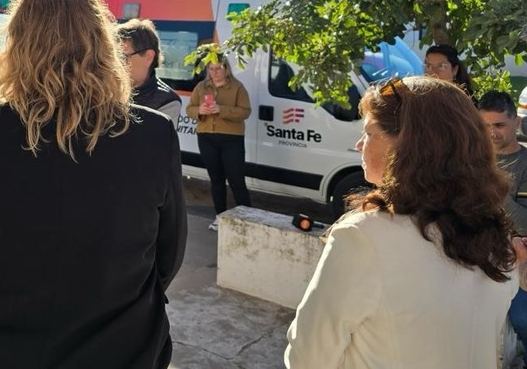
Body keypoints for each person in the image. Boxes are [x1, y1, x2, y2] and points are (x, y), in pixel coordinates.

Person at [0, 0, 187, 368]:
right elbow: (168, 253)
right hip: (119, 348)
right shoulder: (153, 133)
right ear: (102, 42)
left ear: (16, 44)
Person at [285, 76, 518, 368]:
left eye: (369, 133)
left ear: (407, 147)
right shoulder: (494, 232)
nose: (359, 144)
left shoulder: (363, 237)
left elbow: (307, 358)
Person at [478, 89, 527, 367]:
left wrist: (493, 189)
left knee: (522, 320)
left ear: (516, 122)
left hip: (519, 264)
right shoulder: (471, 162)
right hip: (475, 261)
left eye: (498, 125)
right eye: (484, 126)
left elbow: (525, 224)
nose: (491, 133)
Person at [186, 53, 252, 231]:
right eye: (211, 68)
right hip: (206, 137)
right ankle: (220, 217)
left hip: (231, 139)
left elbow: (245, 111)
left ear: (226, 69)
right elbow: (189, 109)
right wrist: (200, 110)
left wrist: (221, 109)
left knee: (236, 180)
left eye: (218, 68)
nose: (214, 72)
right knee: (216, 180)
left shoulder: (237, 87)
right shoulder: (201, 87)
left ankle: (248, 220)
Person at [116, 18, 182, 125]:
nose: (116, 63)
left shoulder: (167, 102)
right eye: (113, 57)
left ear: (148, 57)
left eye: (123, 56)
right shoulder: (103, 90)